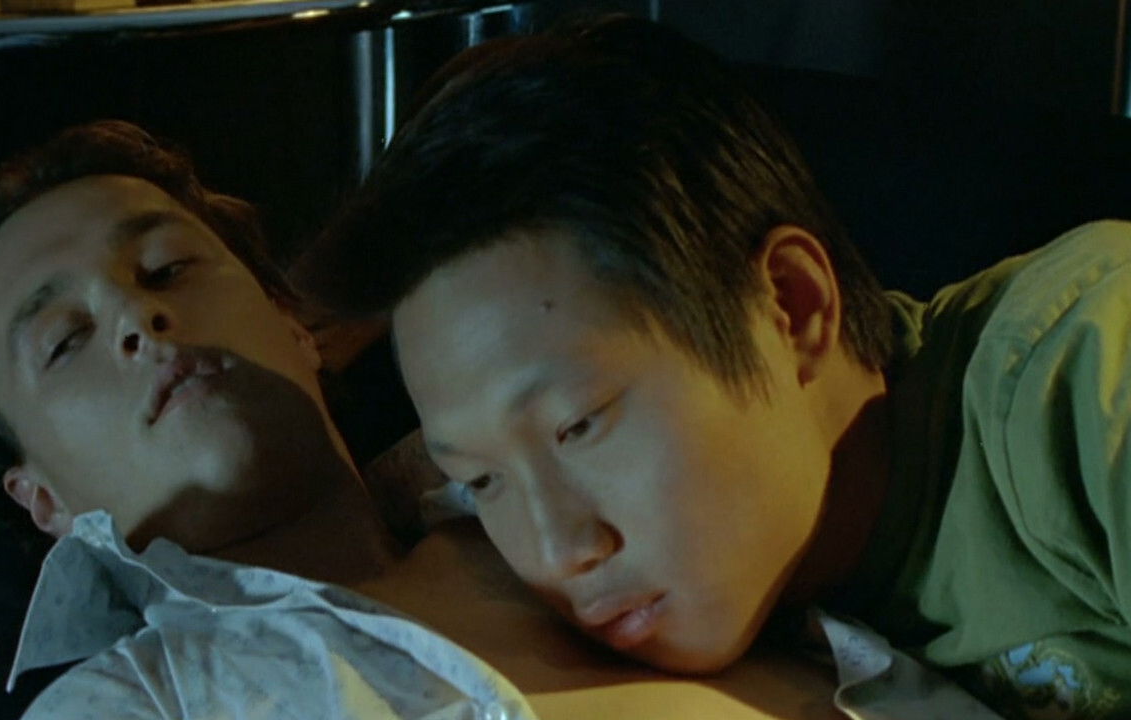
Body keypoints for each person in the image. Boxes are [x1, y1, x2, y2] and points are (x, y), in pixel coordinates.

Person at [298, 15, 1131, 720]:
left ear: (792, 307)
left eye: (579, 426)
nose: (559, 550)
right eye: (484, 482)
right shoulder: (759, 571)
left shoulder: (1078, 368)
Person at [0, 119, 841, 720]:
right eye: (65, 340)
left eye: (166, 270)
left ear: (293, 322)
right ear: (42, 500)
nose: (136, 318)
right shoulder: (142, 699)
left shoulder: (548, 504)